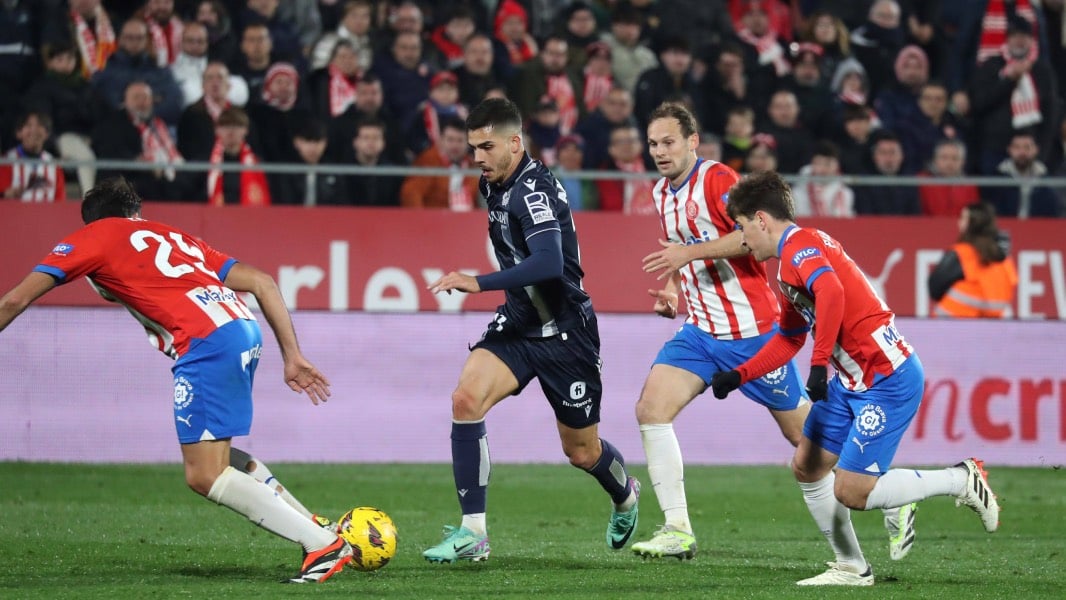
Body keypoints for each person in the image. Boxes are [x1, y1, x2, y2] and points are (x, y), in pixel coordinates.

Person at [0, 176, 352, 584]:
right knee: (221, 458)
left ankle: (322, 545)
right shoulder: (172, 236)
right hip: (240, 328)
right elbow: (263, 283)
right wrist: (292, 356)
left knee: (203, 475)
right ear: (136, 213)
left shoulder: (93, 237)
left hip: (205, 342)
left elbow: (14, 299)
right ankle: (316, 527)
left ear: (91, 221)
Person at [708, 171, 1000, 586]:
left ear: (760, 219)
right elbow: (790, 337)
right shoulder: (787, 268)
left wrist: (819, 364)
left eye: (740, 227)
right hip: (850, 382)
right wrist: (740, 374)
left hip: (885, 376)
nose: (741, 239)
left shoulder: (801, 245)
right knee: (807, 467)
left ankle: (960, 478)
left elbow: (832, 293)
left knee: (852, 491)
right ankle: (852, 567)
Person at [422, 98, 640, 563]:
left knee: (582, 452)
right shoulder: (494, 182)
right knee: (465, 399)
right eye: (473, 147)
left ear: (515, 143)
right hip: (520, 325)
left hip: (566, 334)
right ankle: (473, 532)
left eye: (486, 146)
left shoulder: (532, 192)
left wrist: (476, 281)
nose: (477, 157)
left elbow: (548, 263)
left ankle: (625, 495)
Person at [631, 102, 808, 560]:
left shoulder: (718, 180)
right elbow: (681, 250)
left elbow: (750, 240)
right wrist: (673, 287)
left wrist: (687, 257)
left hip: (753, 332)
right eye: (653, 144)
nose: (660, 151)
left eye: (669, 142)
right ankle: (677, 529)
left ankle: (889, 489)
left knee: (805, 442)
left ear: (692, 141)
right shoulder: (661, 193)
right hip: (701, 332)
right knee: (651, 409)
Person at [929, 202, 1017, 318]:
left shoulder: (961, 254)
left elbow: (935, 288)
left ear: (973, 224)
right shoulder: (1005, 260)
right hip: (993, 328)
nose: (959, 223)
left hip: (950, 326)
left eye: (963, 218)